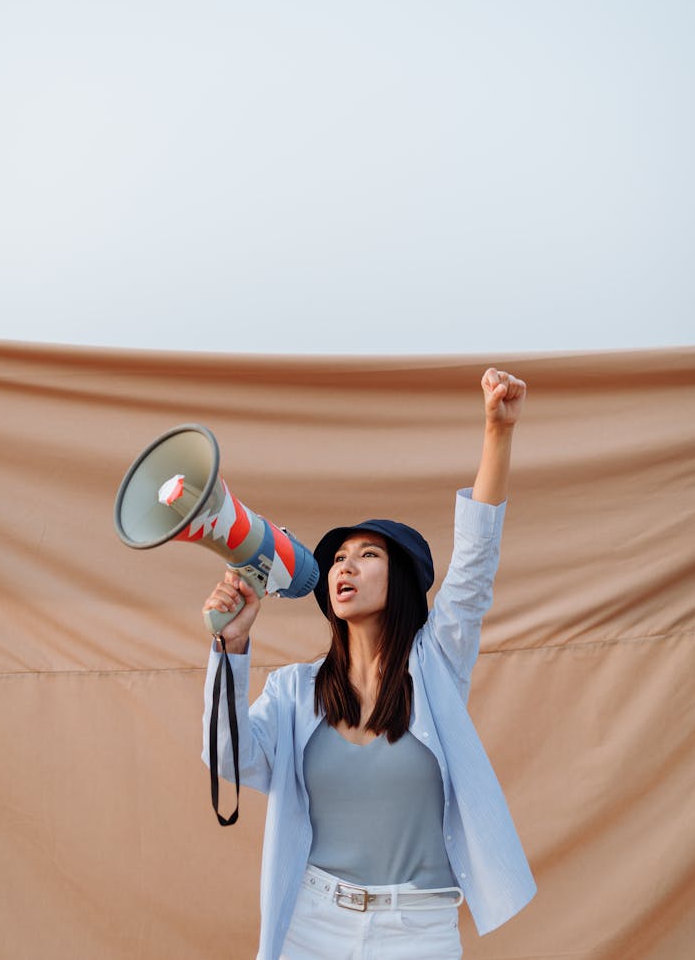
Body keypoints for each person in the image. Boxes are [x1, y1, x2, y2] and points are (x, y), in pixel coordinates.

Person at [202, 368, 536, 959]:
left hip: (419, 930)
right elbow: (230, 759)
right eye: (336, 561)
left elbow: (476, 563)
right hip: (312, 922)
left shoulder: (436, 666)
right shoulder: (293, 690)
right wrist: (230, 648)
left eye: (367, 555)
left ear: (402, 579)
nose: (344, 568)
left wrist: (496, 431)